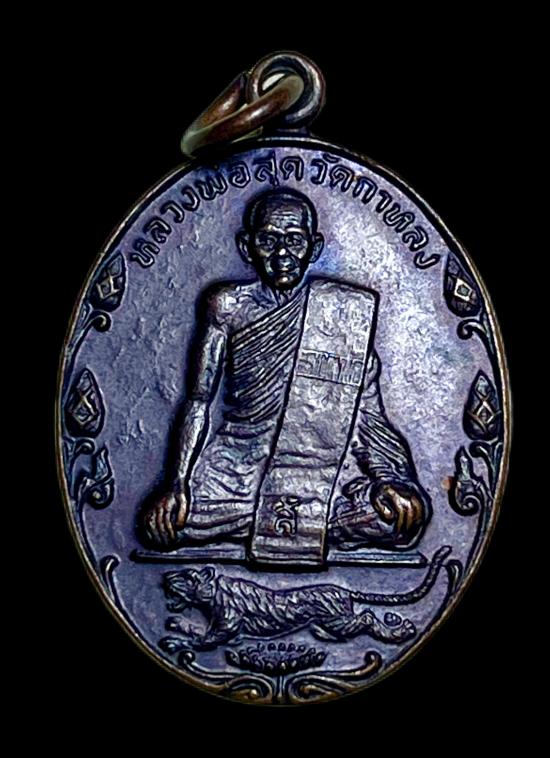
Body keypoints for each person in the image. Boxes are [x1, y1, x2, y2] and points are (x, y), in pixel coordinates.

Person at [143, 187, 431, 561]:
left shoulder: (343, 316)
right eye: (268, 241)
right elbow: (198, 401)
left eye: (294, 241)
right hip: (237, 470)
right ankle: (305, 525)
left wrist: (389, 479)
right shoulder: (227, 306)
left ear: (314, 248)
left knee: (397, 517)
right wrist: (178, 482)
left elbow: (367, 417)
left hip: (319, 470)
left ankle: (280, 522)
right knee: (164, 525)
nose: (282, 254)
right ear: (247, 247)